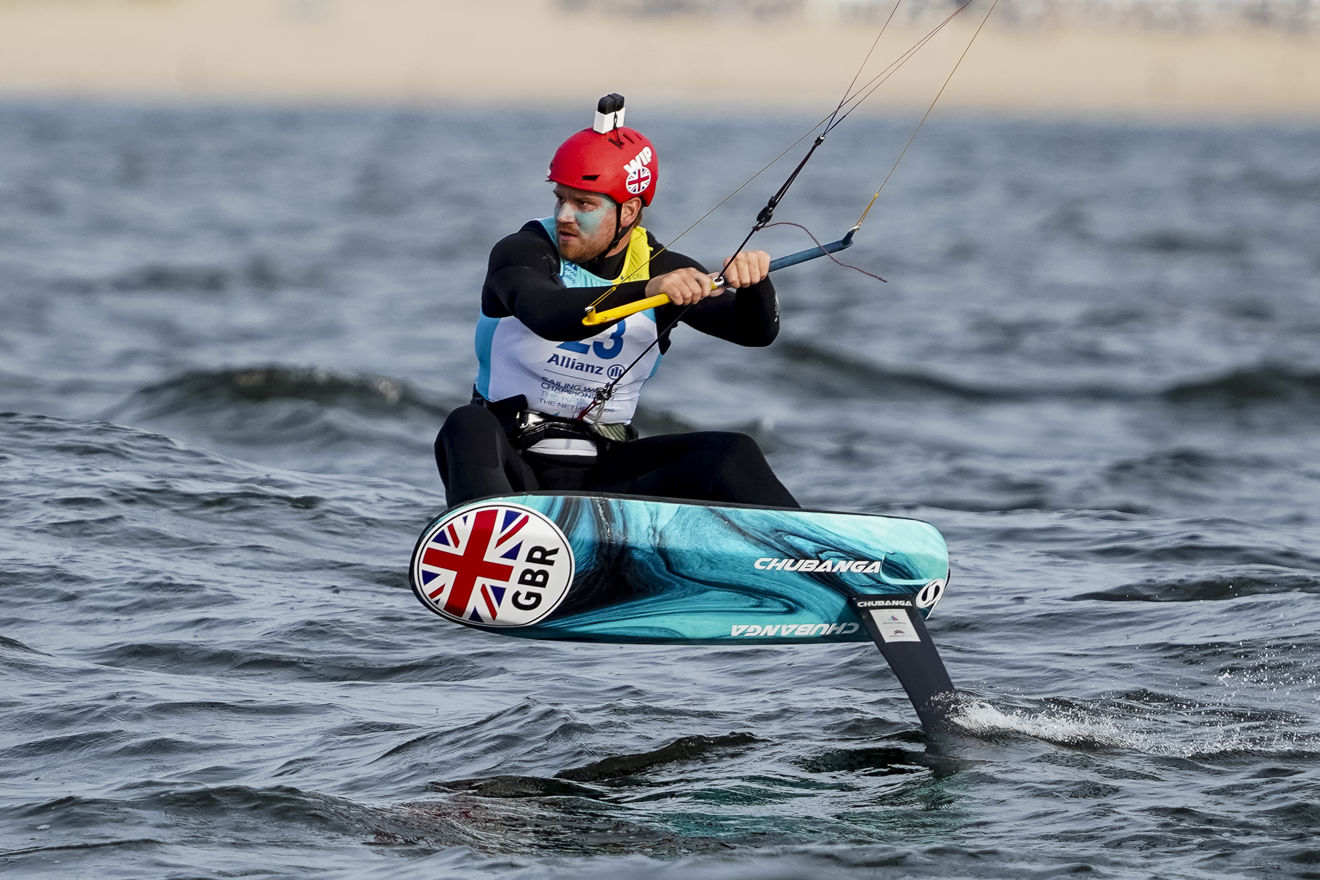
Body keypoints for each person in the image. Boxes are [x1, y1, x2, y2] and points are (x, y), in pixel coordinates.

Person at [434, 94, 798, 510]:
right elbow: (548, 315)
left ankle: (819, 557)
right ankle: (485, 535)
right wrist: (646, 290)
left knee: (731, 453)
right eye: (561, 198)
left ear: (628, 211)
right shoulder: (522, 252)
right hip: (510, 463)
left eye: (583, 204)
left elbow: (755, 332)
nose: (564, 215)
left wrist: (755, 286)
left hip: (606, 471)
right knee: (465, 425)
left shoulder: (665, 267)